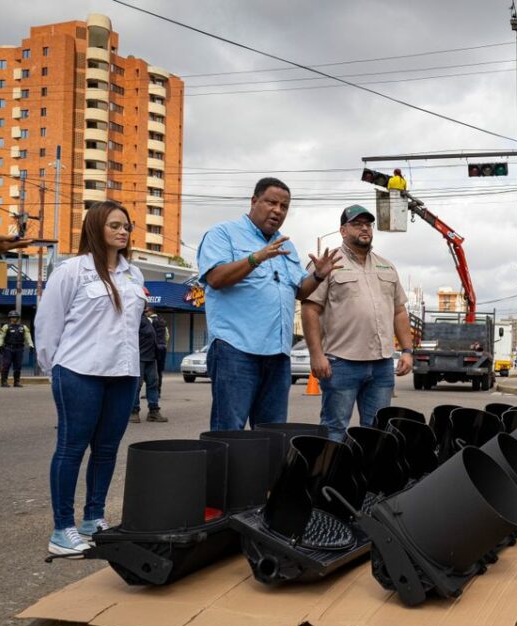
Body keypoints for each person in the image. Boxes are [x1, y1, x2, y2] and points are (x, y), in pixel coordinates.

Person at [34, 201, 145, 555]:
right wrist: (55, 370)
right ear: (96, 228)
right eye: (114, 225)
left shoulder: (133, 274)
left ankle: (92, 518)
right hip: (79, 371)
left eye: (126, 226)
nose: (123, 231)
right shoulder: (72, 271)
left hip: (123, 373)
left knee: (107, 449)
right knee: (71, 447)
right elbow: (48, 324)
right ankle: (62, 528)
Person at [197, 178, 339, 431]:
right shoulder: (223, 234)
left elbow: (300, 291)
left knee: (272, 433)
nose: (278, 210)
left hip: (277, 354)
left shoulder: (286, 246)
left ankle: (261, 473)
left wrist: (318, 275)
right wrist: (256, 257)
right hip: (236, 350)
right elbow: (216, 278)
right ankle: (227, 473)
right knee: (229, 430)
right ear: (254, 201)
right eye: (271, 202)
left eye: (284, 206)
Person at [301, 204, 414, 442]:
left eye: (368, 224)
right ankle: (328, 478)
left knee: (377, 432)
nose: (365, 228)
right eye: (357, 224)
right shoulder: (327, 264)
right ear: (343, 230)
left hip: (382, 365)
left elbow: (399, 311)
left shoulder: (386, 265)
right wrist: (316, 355)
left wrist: (406, 350)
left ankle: (367, 479)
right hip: (341, 362)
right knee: (334, 429)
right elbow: (310, 309)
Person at [130, 306, 167, 423]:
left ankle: (153, 411)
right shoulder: (134, 318)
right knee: (137, 386)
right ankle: (133, 412)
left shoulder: (146, 319)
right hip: (139, 357)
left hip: (151, 357)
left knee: (153, 384)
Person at [0, 310, 33, 387]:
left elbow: (28, 336)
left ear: (18, 318)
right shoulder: (6, 326)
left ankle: (16, 382)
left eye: (15, 317)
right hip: (8, 348)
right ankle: (4, 382)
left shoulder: (23, 327)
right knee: (6, 365)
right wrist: (0, 345)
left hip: (19, 349)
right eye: (12, 317)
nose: (13, 318)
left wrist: (31, 345)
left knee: (18, 366)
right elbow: (1, 336)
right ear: (9, 318)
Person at [146, 306, 169, 395]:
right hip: (162, 348)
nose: (145, 313)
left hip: (152, 348)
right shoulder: (163, 321)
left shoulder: (149, 320)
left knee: (149, 370)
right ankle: (158, 391)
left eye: (146, 311)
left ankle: (151, 392)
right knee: (159, 371)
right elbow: (167, 335)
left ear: (151, 311)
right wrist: (163, 344)